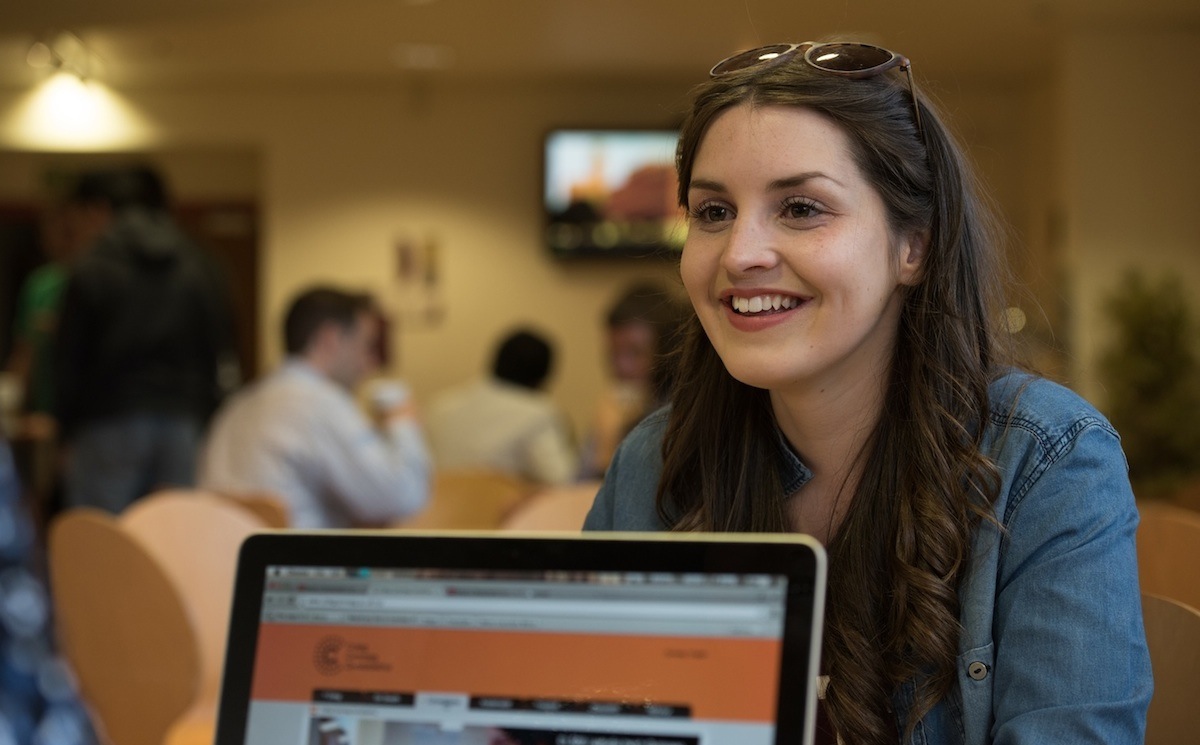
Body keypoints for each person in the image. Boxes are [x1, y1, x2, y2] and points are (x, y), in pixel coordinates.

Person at [584, 41, 1151, 744]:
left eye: (799, 207)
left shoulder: (1047, 461)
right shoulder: (655, 459)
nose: (739, 254)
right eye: (712, 212)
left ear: (912, 245)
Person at [53, 166, 236, 514]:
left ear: (99, 210)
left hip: (107, 419)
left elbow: (69, 359)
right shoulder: (200, 262)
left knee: (104, 542)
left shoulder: (93, 266)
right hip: (184, 420)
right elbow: (221, 348)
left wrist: (65, 433)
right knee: (176, 537)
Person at [200, 286, 431, 528]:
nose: (370, 363)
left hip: (224, 557)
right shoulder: (321, 403)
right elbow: (401, 497)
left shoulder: (239, 404)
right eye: (366, 345)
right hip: (294, 561)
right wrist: (402, 423)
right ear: (329, 339)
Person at [427, 328, 576, 485]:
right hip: (498, 508)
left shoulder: (441, 405)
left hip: (437, 507)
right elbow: (562, 481)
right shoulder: (539, 413)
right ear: (544, 375)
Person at [578, 281, 688, 478]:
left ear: (667, 351)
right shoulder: (614, 410)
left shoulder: (681, 417)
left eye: (635, 353)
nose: (621, 367)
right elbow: (575, 488)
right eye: (613, 354)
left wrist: (606, 447)